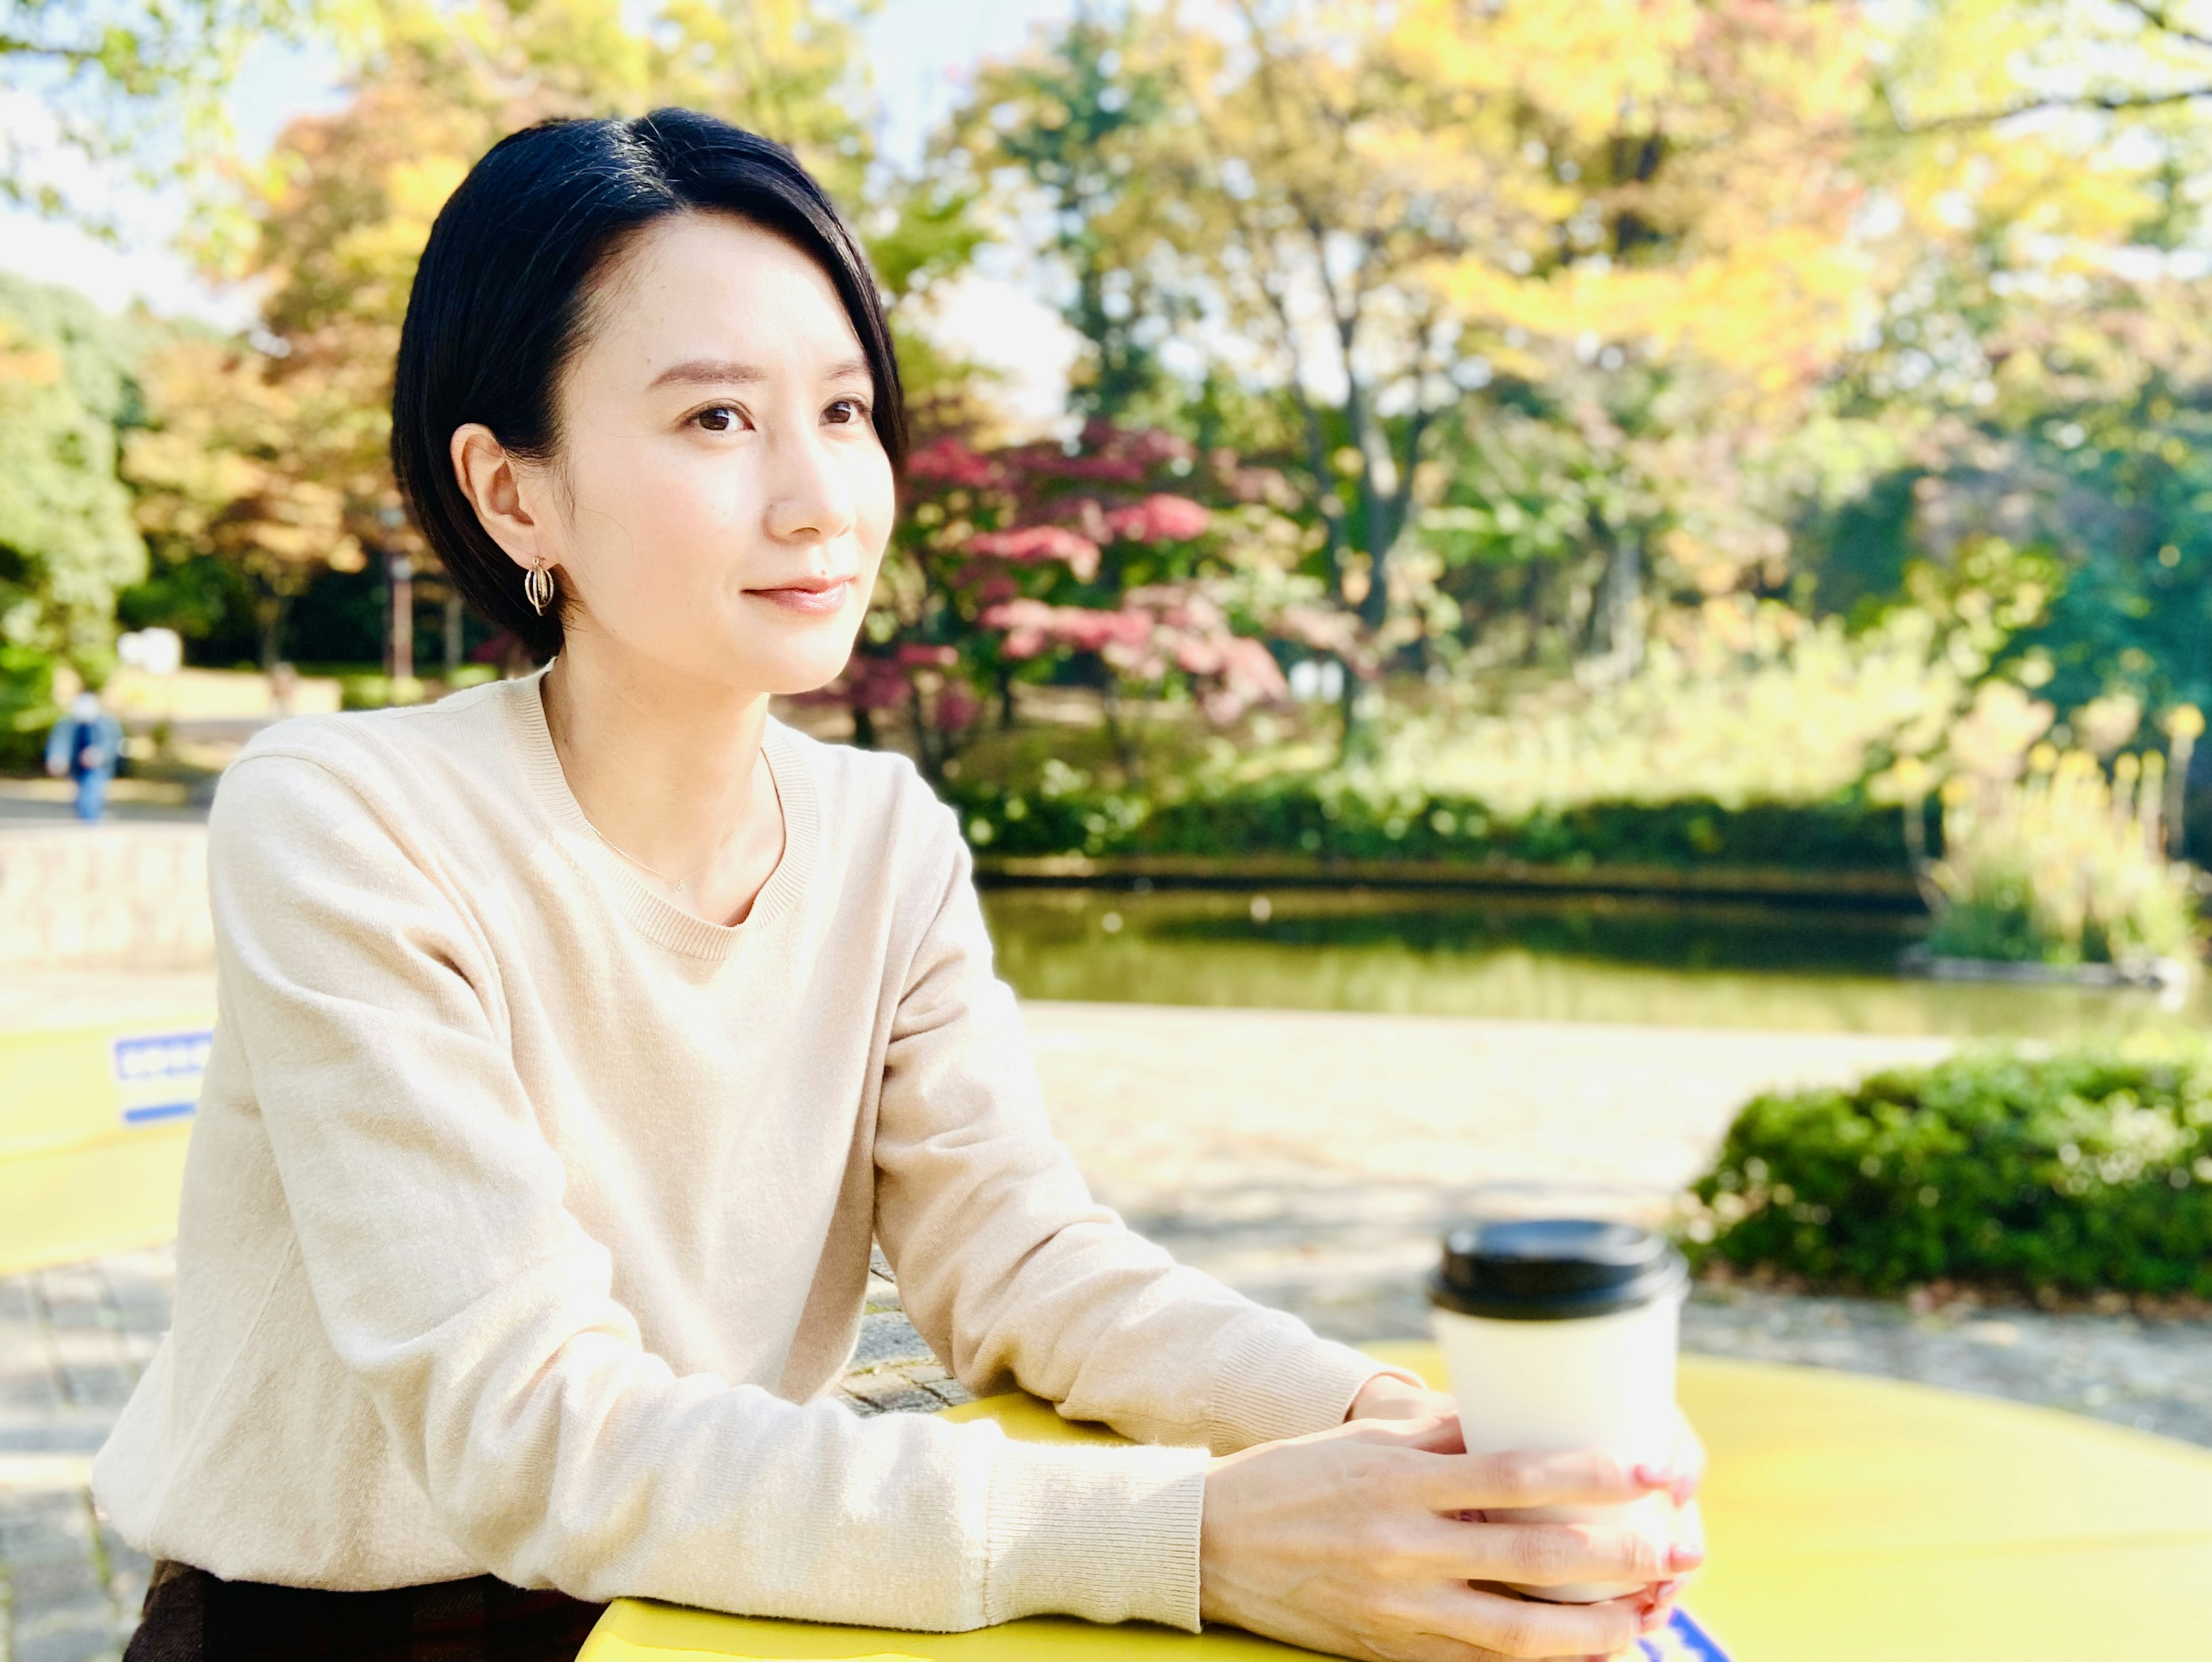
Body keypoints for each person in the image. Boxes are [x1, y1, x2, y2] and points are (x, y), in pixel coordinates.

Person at [93, 111, 1700, 1662]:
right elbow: (530, 1429)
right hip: (366, 1630)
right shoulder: (348, 819)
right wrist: (1196, 1537)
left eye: (846, 411)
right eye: (717, 417)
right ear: (516, 492)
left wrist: (1387, 1433)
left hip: (743, 1592)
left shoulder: (885, 836)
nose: (818, 498)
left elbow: (1022, 1260)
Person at [45, 690, 124, 822]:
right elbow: (61, 741)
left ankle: (91, 821)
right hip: (78, 767)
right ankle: (88, 819)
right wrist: (58, 757)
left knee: (93, 791)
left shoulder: (107, 723)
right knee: (81, 796)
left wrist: (99, 754)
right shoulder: (68, 724)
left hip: (99, 767)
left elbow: (112, 743)